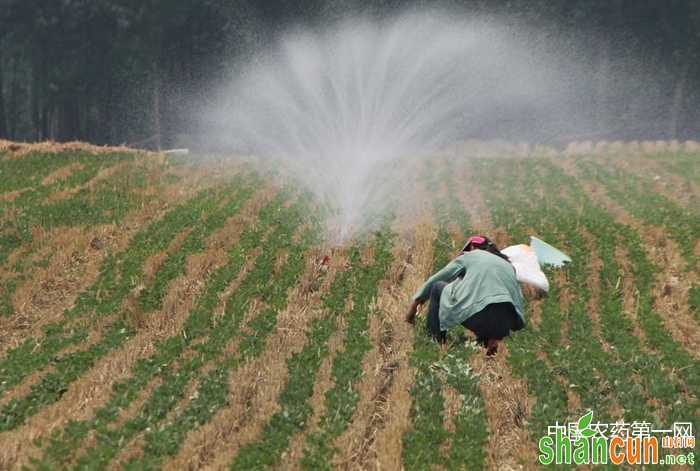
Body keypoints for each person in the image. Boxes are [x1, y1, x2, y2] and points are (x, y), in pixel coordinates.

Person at [405, 235, 525, 354]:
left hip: (481, 316)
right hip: (507, 321)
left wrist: (415, 304)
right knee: (491, 310)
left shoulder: (471, 256)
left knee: (437, 287)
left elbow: (440, 277)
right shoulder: (508, 266)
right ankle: (492, 340)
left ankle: (434, 341)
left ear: (472, 247)